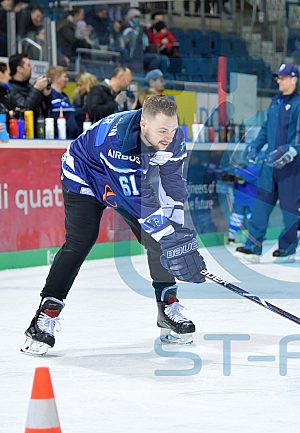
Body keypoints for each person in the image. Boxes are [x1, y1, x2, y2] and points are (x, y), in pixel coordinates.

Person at [20, 95, 207, 357]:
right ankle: (44, 316)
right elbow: (137, 198)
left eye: (173, 129)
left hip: (125, 181)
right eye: (162, 130)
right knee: (80, 241)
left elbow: (173, 185)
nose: (169, 136)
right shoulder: (118, 141)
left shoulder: (173, 138)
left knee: (159, 239)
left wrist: (175, 235)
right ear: (143, 124)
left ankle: (167, 307)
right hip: (84, 176)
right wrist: (169, 238)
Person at [235, 64, 300, 263]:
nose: (279, 80)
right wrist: (255, 145)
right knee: (261, 204)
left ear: (294, 79)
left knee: (288, 206)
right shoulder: (275, 101)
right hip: (269, 164)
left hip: (289, 166)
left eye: (283, 77)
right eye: (278, 77)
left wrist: (290, 150)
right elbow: (265, 128)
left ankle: (287, 248)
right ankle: (253, 245)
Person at [222, 163, 261, 244]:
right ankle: (231, 237)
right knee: (236, 218)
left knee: (252, 218)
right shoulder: (240, 168)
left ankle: (255, 237)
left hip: (252, 199)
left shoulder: (256, 169)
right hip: (240, 199)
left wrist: (233, 177)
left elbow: (242, 180)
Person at [8, 54, 52, 121]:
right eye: (28, 65)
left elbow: (44, 111)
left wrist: (46, 96)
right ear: (19, 69)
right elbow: (25, 110)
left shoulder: (30, 86)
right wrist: (36, 89)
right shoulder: (10, 88)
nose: (31, 67)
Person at [47, 65, 80, 139]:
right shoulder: (49, 95)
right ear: (57, 78)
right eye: (65, 77)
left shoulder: (65, 96)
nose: (67, 79)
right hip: (57, 138)